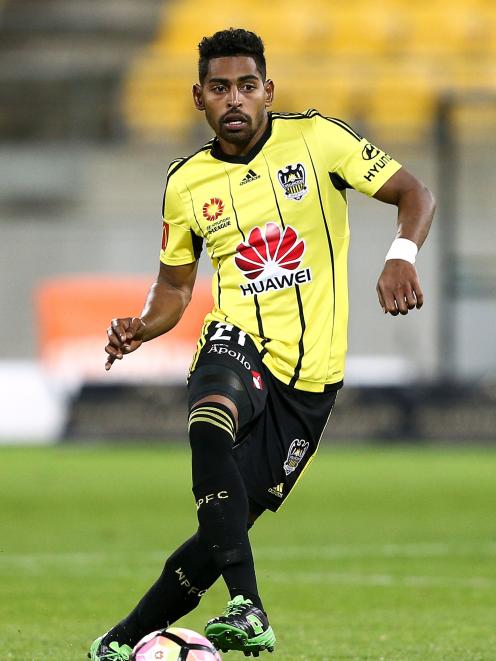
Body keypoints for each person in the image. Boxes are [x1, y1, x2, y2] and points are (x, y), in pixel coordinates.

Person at [89, 27, 435, 661]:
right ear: (199, 98)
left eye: (247, 86)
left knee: (219, 532)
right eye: (220, 88)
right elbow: (173, 288)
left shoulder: (319, 140)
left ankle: (116, 643)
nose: (235, 100)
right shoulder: (186, 183)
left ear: (268, 90)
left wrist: (401, 254)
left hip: (311, 383)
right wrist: (143, 324)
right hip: (237, 342)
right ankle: (247, 606)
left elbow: (416, 192)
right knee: (208, 423)